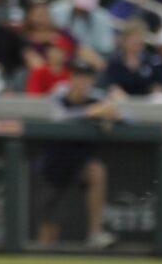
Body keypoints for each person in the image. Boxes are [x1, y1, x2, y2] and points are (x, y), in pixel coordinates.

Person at [37, 64, 118, 249]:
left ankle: (95, 233)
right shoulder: (58, 94)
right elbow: (57, 116)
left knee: (96, 171)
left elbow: (128, 117)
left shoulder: (97, 98)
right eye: (79, 76)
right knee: (49, 230)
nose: (83, 81)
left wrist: (111, 116)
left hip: (81, 163)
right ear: (71, 78)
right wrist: (90, 112)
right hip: (54, 165)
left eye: (87, 77)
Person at [49, 0, 116, 62]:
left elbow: (106, 48)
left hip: (88, 63)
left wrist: (88, 55)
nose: (82, 10)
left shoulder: (103, 18)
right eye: (80, 6)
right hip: (59, 58)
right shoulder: (56, 10)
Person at [103, 20, 155, 99]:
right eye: (133, 40)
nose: (136, 42)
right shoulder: (115, 62)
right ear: (125, 41)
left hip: (146, 102)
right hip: (123, 103)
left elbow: (154, 84)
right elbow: (112, 86)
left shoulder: (149, 61)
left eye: (139, 39)